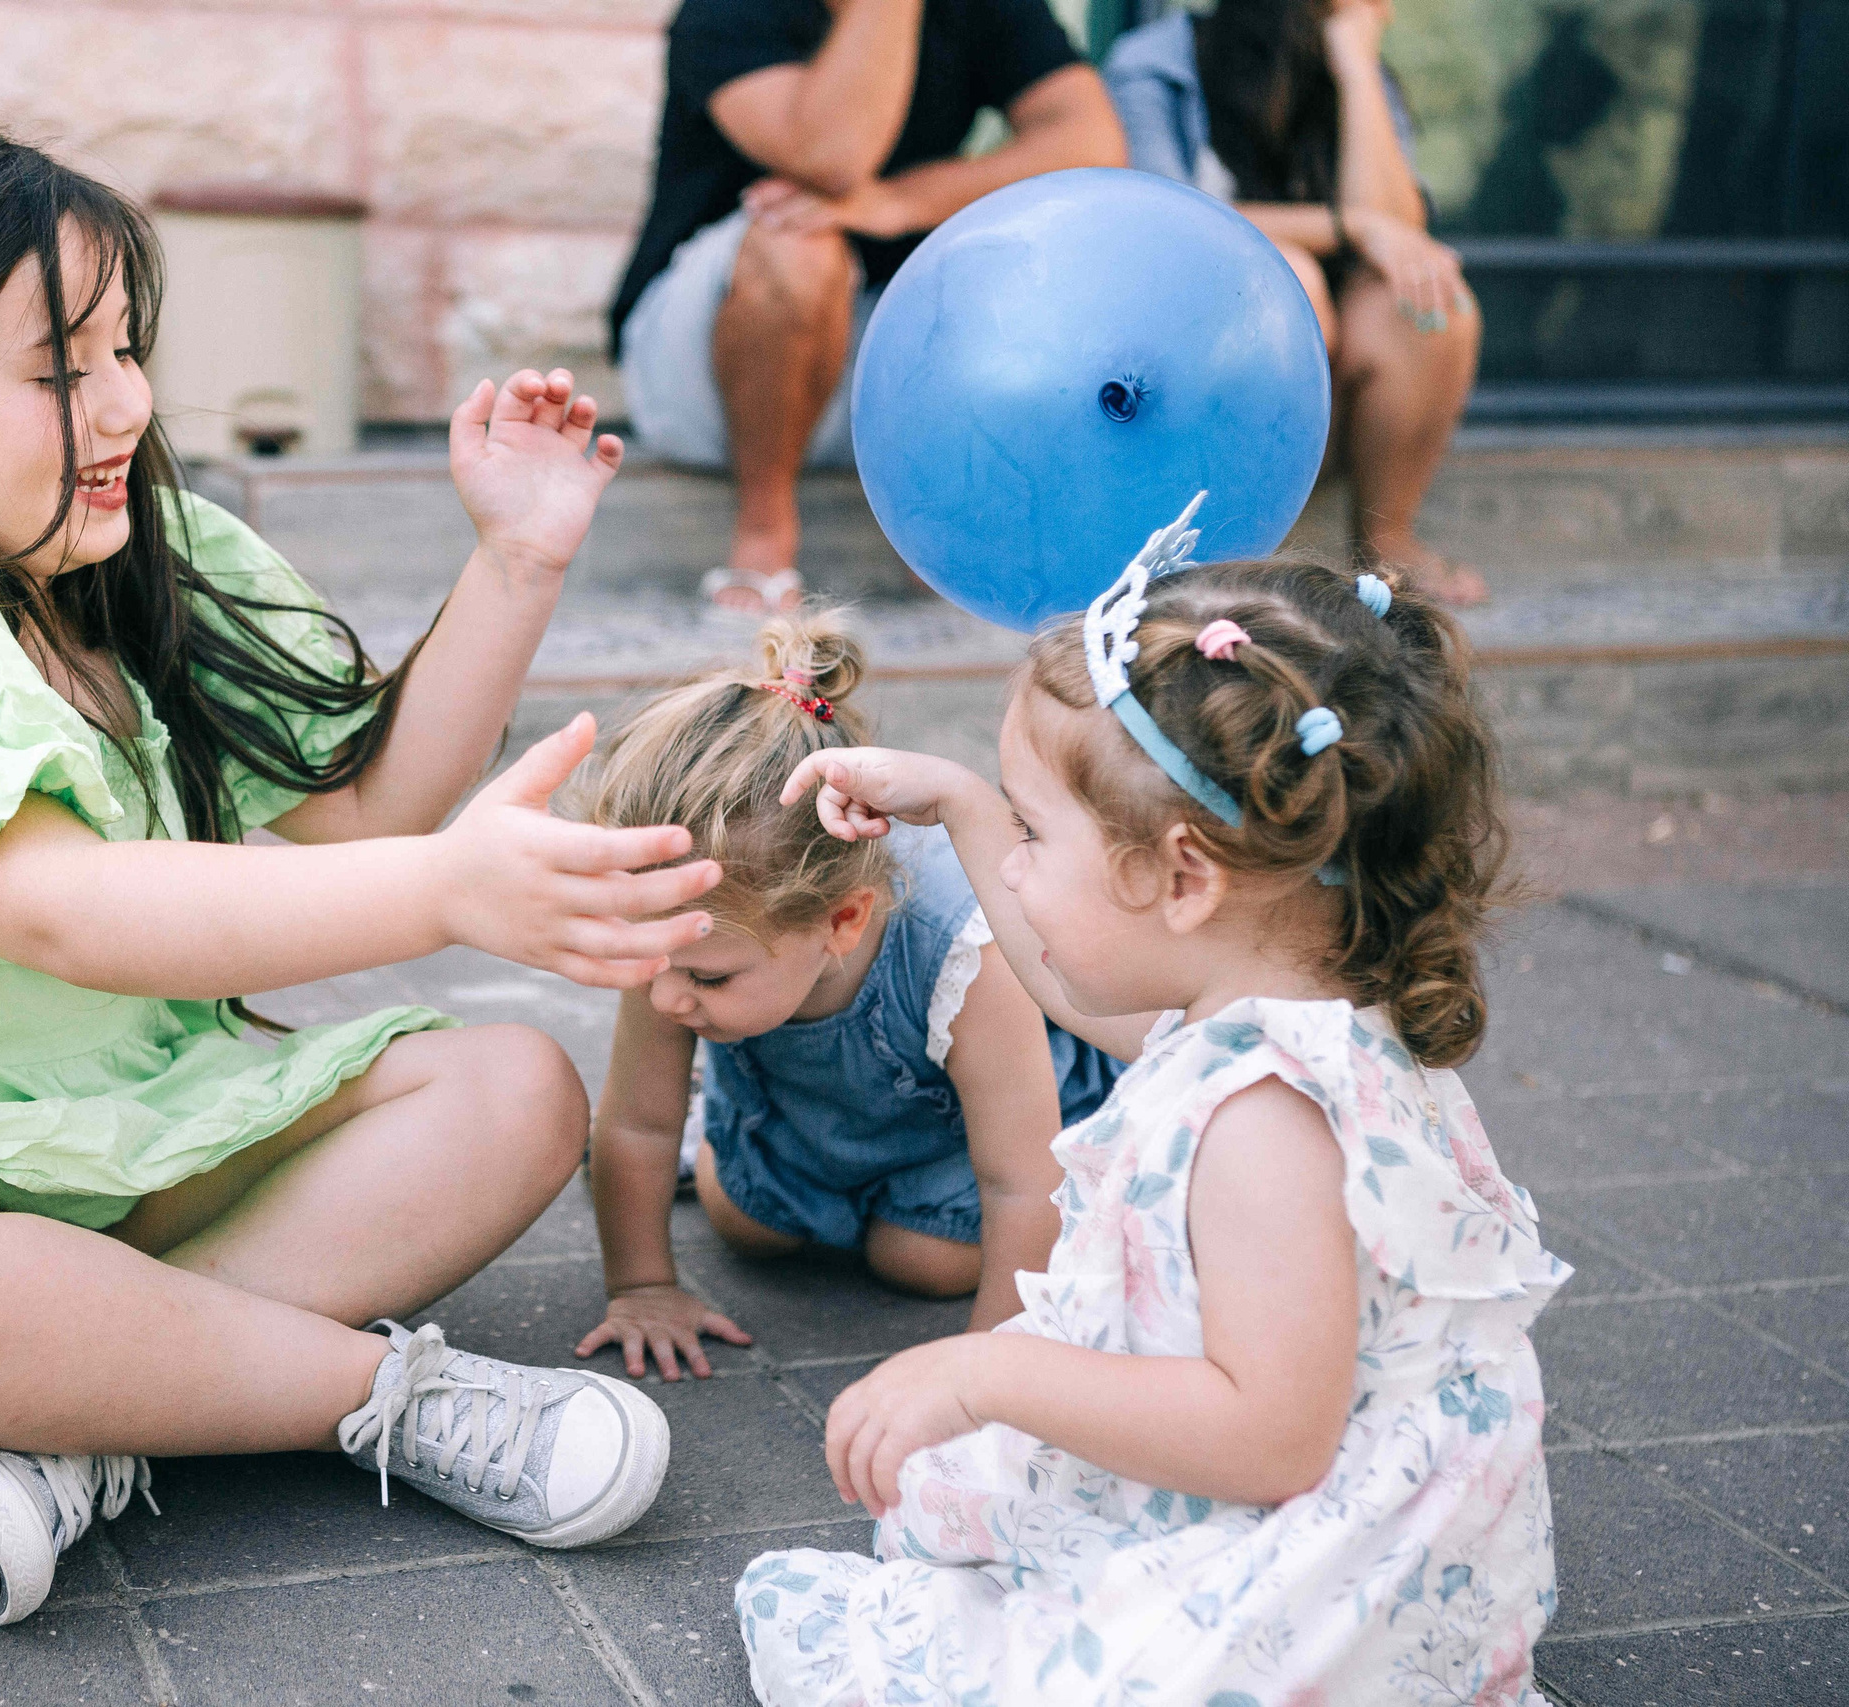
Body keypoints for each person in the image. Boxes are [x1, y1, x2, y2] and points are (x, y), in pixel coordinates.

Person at [0, 115, 728, 1628]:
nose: (126, 400)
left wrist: (517, 559)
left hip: (128, 1157)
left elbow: (368, 803)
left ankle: (73, 1415)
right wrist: (453, 892)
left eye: (127, 348)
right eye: (63, 370)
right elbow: (58, 906)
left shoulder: (135, 562)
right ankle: (377, 1397)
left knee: (512, 1089)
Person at [733, 518, 1567, 1702]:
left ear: (1181, 880)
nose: (1013, 866)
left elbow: (1271, 1437)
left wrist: (981, 1379)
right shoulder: (1271, 999)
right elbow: (1066, 977)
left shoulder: (1269, 1121)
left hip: (1308, 1566)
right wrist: (966, 808)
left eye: (1033, 833)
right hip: (1318, 1507)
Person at [568, 612, 1122, 1381]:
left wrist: (999, 1365)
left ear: (843, 922)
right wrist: (643, 1286)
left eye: (705, 977)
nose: (663, 996)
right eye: (648, 958)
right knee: (743, 1221)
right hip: (812, 1123)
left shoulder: (962, 948)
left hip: (955, 1144)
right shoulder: (682, 945)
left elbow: (1020, 1176)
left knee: (922, 1259)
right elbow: (634, 1123)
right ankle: (750, 1137)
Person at [609, 0, 1125, 616]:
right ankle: (763, 534)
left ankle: (941, 530)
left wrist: (902, 201)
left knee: (995, 262)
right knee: (797, 243)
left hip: (865, 376)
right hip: (700, 381)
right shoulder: (729, 10)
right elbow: (832, 156)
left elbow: (1091, 141)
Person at [1107, 0, 1489, 605]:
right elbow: (1164, 215)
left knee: (1431, 305)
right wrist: (1347, 227)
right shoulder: (1157, 64)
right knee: (1289, 277)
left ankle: (1386, 544)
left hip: (1335, 390)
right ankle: (1240, 543)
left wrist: (1358, 67)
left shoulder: (1355, 67)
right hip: (1198, 393)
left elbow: (1400, 232)